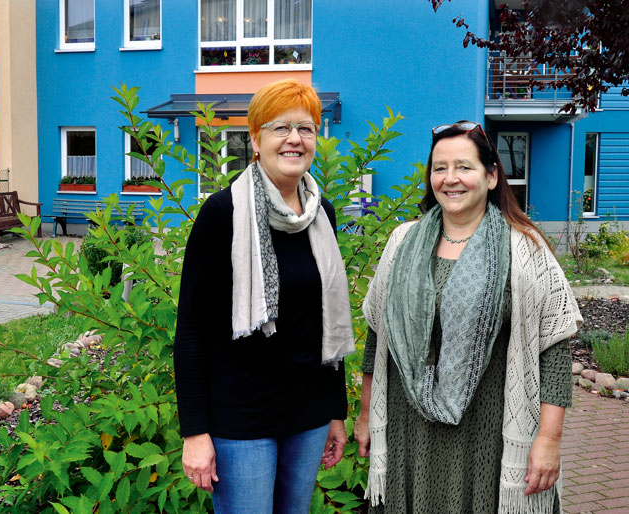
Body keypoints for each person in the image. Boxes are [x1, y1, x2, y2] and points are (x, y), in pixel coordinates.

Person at [354, 121, 582, 513]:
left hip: (490, 434)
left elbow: (555, 346)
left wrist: (549, 439)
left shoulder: (526, 250)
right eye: (439, 168)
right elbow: (380, 335)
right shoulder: (402, 243)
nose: (450, 179)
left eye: (464, 167)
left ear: (492, 176)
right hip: (410, 430)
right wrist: (364, 414)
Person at [174, 78, 355, 513]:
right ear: (255, 139)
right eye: (280, 128)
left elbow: (325, 319)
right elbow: (192, 331)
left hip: (308, 413)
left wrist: (336, 412)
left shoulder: (321, 214)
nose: (295, 138)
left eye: (306, 128)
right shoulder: (222, 214)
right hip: (241, 416)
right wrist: (195, 433)